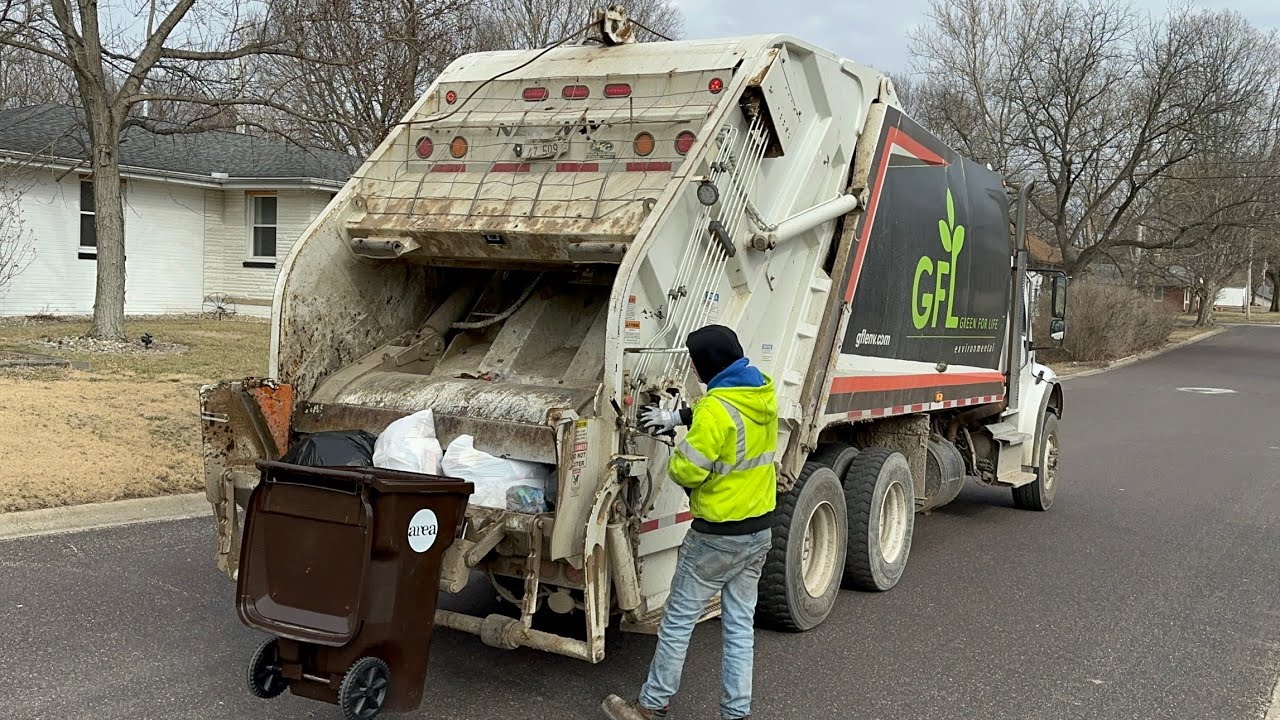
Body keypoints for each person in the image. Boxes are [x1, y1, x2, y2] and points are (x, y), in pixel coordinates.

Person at [601, 324, 778, 720]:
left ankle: (650, 706)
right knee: (738, 628)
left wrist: (680, 437)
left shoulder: (715, 410)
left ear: (704, 367)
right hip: (758, 531)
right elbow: (727, 412)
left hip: (716, 536)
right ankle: (735, 714)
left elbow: (687, 470)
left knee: (678, 622)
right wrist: (679, 414)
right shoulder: (761, 391)